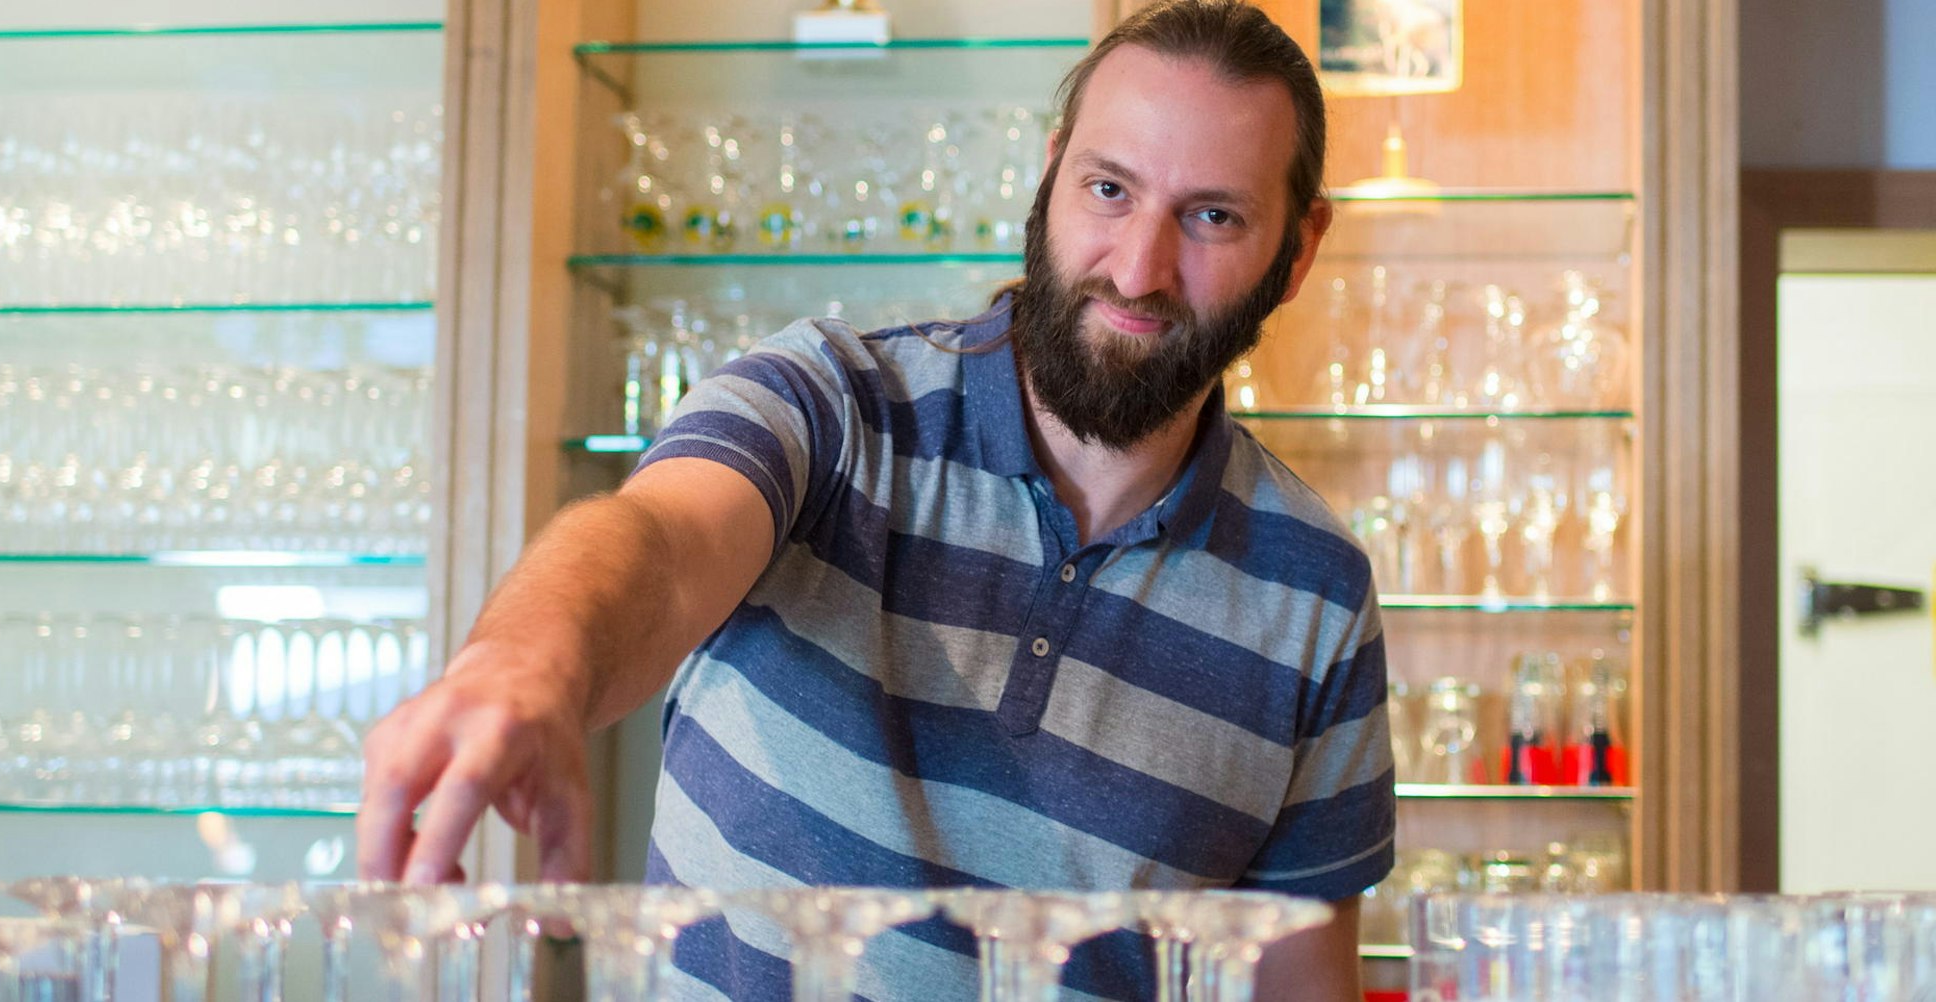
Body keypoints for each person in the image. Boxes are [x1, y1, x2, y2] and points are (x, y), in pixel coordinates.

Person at [358, 1, 1393, 998]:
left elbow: (1296, 984)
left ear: (1297, 250)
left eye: (1212, 216)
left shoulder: (1317, 594)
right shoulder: (832, 404)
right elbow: (658, 544)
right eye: (1108, 189)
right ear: (1050, 177)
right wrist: (529, 663)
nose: (1137, 269)